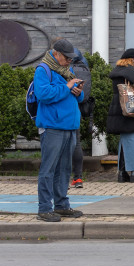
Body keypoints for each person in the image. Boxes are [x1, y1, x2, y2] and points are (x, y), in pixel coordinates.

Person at [34, 39, 84, 222]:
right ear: (56, 54)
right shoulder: (43, 70)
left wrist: (79, 92)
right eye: (67, 57)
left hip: (69, 126)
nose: (70, 61)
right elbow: (43, 94)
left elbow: (75, 95)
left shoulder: (66, 71)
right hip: (52, 127)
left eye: (72, 58)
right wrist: (67, 87)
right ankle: (44, 208)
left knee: (64, 169)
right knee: (48, 169)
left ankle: (62, 205)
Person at [106, 48, 134, 184]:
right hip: (133, 110)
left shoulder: (117, 72)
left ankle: (122, 173)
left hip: (120, 111)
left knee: (124, 142)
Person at [68, 46, 93, 189]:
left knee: (62, 146)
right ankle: (78, 178)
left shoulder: (64, 68)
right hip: (77, 109)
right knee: (76, 143)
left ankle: (63, 179)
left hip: (65, 110)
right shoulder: (83, 65)